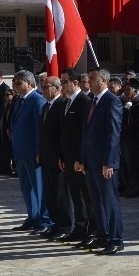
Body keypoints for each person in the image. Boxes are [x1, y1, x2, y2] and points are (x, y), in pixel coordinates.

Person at [75, 68, 124, 255]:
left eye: (92, 79)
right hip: (91, 161)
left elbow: (113, 135)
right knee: (97, 202)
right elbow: (85, 133)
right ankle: (103, 235)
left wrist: (109, 162)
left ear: (103, 80)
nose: (88, 81)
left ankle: (116, 239)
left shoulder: (112, 102)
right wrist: (81, 158)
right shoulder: (93, 101)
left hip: (105, 163)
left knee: (110, 202)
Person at [9, 71, 52, 233]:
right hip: (21, 152)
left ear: (29, 83)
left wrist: (39, 150)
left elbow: (39, 129)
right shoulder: (20, 101)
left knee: (39, 188)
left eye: (19, 83)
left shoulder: (37, 100)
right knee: (26, 188)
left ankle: (45, 220)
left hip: (33, 153)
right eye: (15, 82)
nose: (15, 85)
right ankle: (33, 217)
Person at [59, 71, 91, 244]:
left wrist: (80, 158)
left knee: (87, 197)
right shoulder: (68, 102)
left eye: (65, 81)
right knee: (75, 197)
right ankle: (79, 228)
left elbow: (83, 134)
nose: (62, 85)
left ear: (75, 82)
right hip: (69, 158)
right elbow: (64, 132)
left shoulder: (84, 102)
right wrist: (62, 157)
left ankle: (90, 231)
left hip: (79, 160)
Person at [37, 76, 65, 238]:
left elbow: (62, 133)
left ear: (56, 88)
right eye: (43, 86)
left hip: (57, 157)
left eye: (46, 87)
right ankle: (56, 223)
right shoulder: (47, 106)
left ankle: (65, 224)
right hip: (47, 156)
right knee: (50, 192)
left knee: (60, 192)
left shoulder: (61, 105)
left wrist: (61, 156)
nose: (43, 90)